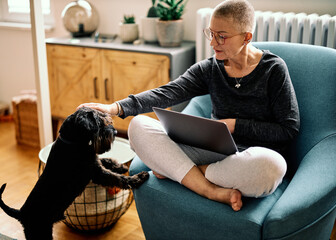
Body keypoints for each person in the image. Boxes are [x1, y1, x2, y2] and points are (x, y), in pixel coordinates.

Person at [78, 0, 300, 211]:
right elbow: (167, 92)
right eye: (211, 34)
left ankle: (187, 173)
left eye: (221, 37)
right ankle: (210, 190)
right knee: (138, 127)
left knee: (273, 167)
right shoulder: (210, 68)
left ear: (246, 37)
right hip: (216, 151)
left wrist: (234, 125)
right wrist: (116, 108)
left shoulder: (273, 70)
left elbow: (288, 129)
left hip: (253, 158)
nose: (213, 43)